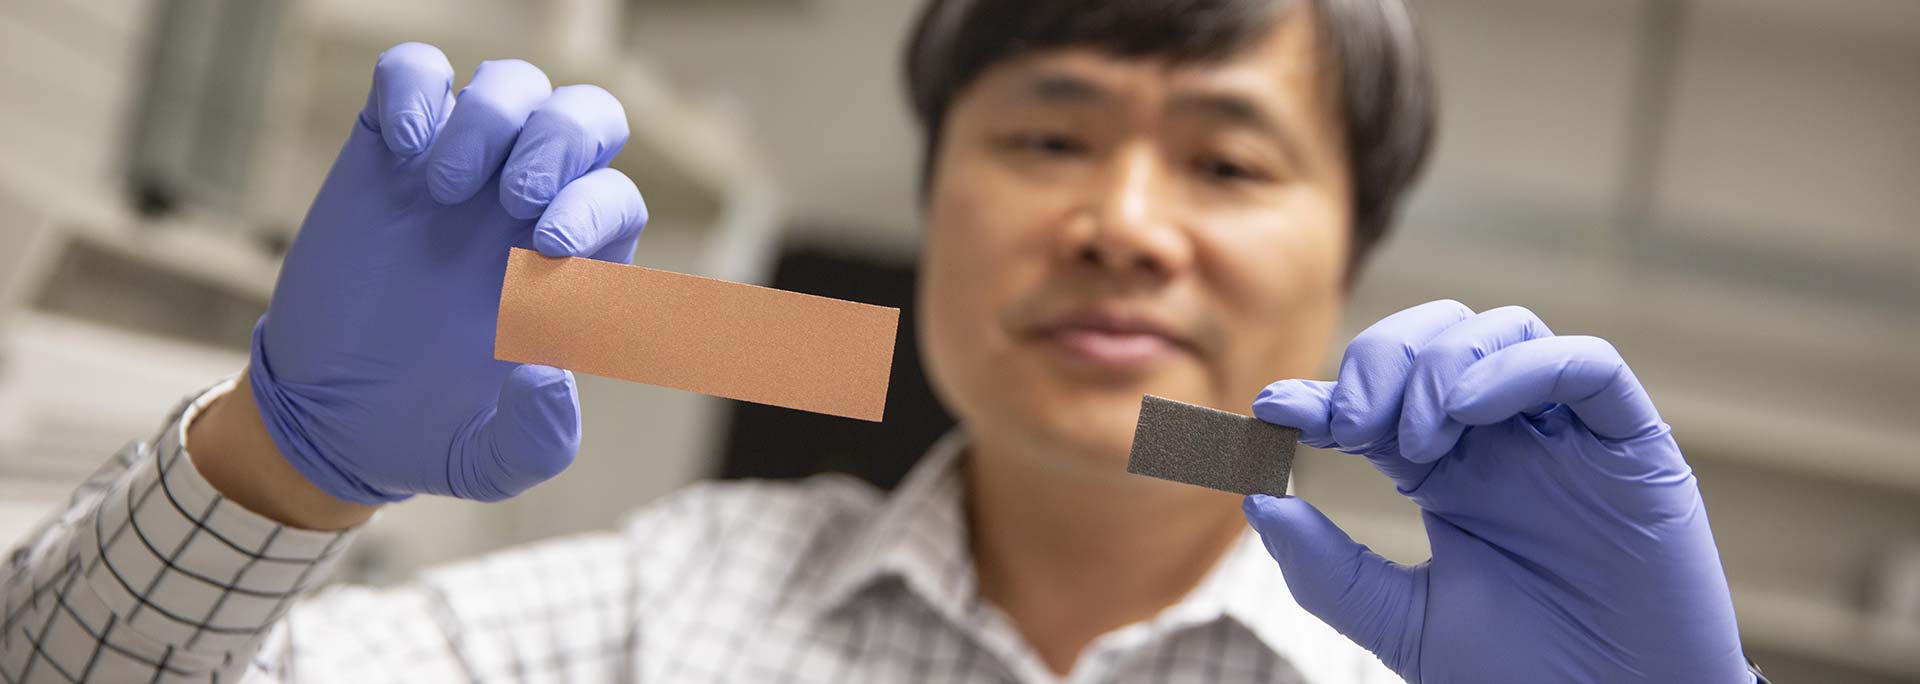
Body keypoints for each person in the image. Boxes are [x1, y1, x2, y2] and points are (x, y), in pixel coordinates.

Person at [0, 0, 1765, 682]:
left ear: (1351, 256)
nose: (1123, 220)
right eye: (1047, 137)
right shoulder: (655, 617)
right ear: (935, 219)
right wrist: (275, 464)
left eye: (1228, 160)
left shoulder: (1458, 678)